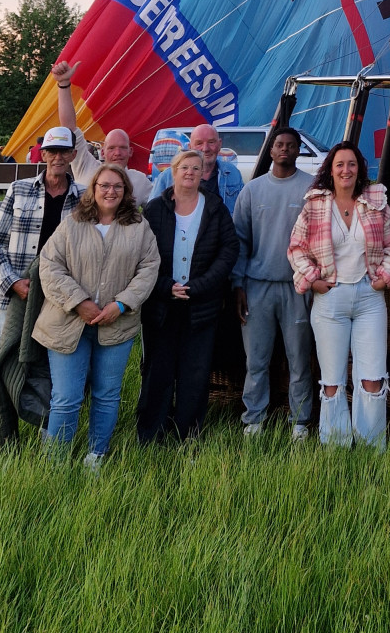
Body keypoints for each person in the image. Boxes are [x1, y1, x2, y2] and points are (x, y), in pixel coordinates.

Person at [34, 163, 160, 468]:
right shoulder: (72, 223)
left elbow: (148, 269)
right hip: (68, 323)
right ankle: (55, 462)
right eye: (104, 185)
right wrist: (79, 302)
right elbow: (49, 266)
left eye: (117, 186)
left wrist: (121, 305)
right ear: (93, 189)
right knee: (66, 397)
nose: (110, 191)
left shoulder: (139, 227)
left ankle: (96, 456)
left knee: (107, 394)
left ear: (126, 191)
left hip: (117, 325)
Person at [0, 127, 82, 461]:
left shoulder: (83, 198)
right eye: (52, 151)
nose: (58, 157)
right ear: (42, 154)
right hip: (16, 299)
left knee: (52, 376)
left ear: (73, 155)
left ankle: (49, 453)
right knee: (2, 370)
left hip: (59, 304)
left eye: (64, 151)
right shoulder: (19, 190)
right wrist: (13, 283)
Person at [288, 143, 390, 449]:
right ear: (331, 169)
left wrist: (384, 276)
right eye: (340, 164)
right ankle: (335, 446)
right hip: (330, 298)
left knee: (372, 377)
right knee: (332, 381)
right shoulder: (315, 205)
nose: (346, 170)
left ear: (359, 168)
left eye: (351, 164)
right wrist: (313, 280)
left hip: (369, 297)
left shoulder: (375, 201)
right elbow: (296, 248)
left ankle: (370, 448)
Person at [138, 148, 239, 443]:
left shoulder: (215, 208)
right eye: (185, 167)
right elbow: (141, 255)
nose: (190, 173)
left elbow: (229, 250)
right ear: (173, 171)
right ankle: (151, 435)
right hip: (162, 306)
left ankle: (187, 435)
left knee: (195, 373)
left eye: (196, 168)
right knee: (158, 371)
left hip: (201, 306)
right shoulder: (155, 209)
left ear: (203, 173)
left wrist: (202, 285)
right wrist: (164, 286)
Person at [232, 127, 314, 439]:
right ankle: (254, 420)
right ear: (271, 150)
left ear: (298, 150)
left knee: (299, 360)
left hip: (298, 287)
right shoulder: (252, 191)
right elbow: (240, 242)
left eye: (291, 145)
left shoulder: (311, 189)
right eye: (279, 144)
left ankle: (300, 422)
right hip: (257, 286)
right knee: (256, 360)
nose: (284, 150)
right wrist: (238, 285)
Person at [50, 59, 153, 205]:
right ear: (102, 152)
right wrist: (63, 84)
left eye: (122, 148)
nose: (117, 153)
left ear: (130, 151)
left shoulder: (140, 181)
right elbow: (69, 129)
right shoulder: (87, 166)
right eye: (111, 148)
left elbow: (160, 209)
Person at [149, 121, 243, 211]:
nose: (205, 149)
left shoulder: (232, 173)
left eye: (211, 142)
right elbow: (152, 212)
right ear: (190, 147)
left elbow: (241, 214)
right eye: (199, 143)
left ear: (219, 144)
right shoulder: (167, 177)